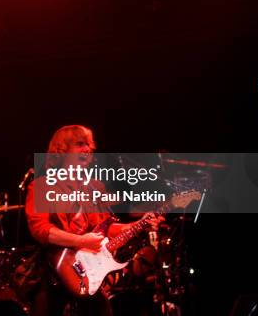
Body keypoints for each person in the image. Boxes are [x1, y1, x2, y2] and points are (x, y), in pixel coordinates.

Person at [25, 125, 162, 316]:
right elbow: (40, 229)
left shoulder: (94, 187)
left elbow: (105, 228)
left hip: (88, 271)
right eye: (80, 144)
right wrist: (80, 241)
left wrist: (136, 225)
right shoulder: (41, 186)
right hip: (53, 272)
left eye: (89, 145)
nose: (88, 149)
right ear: (61, 150)